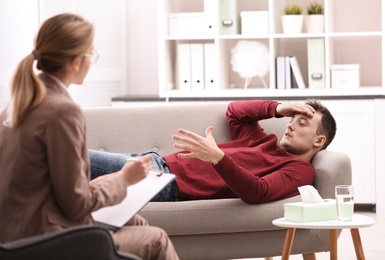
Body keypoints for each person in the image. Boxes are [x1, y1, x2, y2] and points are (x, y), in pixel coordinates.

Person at [0, 13, 178, 260]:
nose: (91, 62)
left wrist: (117, 179)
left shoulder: (17, 104)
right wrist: (124, 180)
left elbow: (56, 188)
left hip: (14, 233)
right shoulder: (62, 111)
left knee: (135, 222)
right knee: (156, 240)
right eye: (90, 54)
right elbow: (76, 204)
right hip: (43, 238)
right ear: (75, 61)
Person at [89, 99, 336, 204]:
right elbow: (235, 113)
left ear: (319, 141)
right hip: (152, 162)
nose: (291, 124)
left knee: (73, 158)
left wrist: (218, 157)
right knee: (67, 170)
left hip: (166, 183)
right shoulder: (262, 141)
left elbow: (258, 192)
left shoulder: (300, 171)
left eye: (302, 123)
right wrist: (278, 108)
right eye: (291, 119)